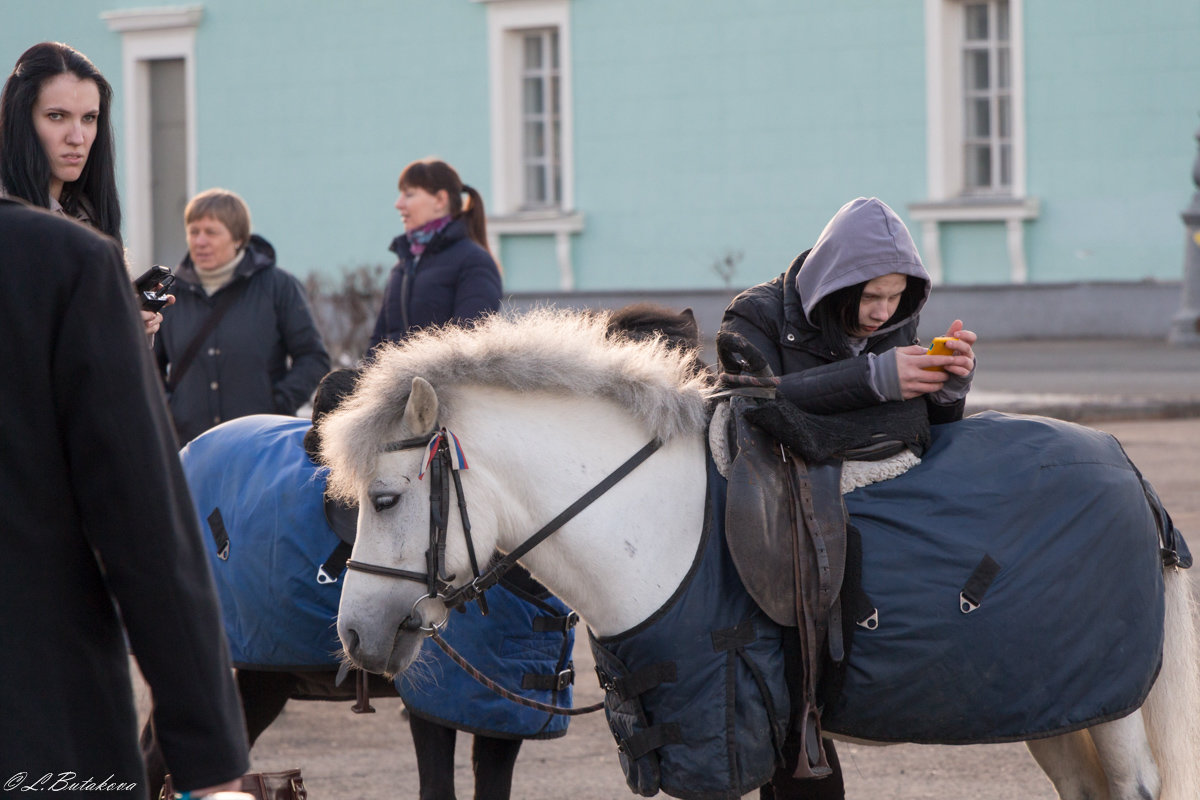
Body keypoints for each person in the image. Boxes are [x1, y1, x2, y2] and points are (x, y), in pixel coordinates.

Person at [720, 196, 977, 800]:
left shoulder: (894, 320)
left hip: (864, 498)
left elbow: (927, 430)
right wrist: (871, 379)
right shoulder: (752, 315)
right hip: (774, 509)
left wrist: (949, 388)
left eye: (896, 298)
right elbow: (747, 401)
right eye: (870, 298)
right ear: (836, 281)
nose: (883, 313)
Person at [0, 196, 250, 798]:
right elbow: (146, 532)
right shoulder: (62, 260)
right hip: (37, 713)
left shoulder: (71, 259)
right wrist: (212, 761)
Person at [0, 41, 167, 338]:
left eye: (89, 118)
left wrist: (132, 326)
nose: (77, 137)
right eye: (56, 116)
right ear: (20, 120)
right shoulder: (9, 221)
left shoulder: (90, 218)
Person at [153, 187, 330, 444]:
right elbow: (148, 364)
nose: (200, 241)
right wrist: (169, 409)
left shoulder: (278, 286)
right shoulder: (169, 295)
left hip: (260, 444)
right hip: (190, 447)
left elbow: (313, 358)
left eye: (211, 232)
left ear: (237, 238)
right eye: (194, 232)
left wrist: (276, 404)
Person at [367, 157, 501, 351]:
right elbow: (378, 344)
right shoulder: (402, 267)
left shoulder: (474, 262)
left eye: (409, 194)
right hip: (399, 381)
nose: (398, 204)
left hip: (441, 382)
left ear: (440, 200)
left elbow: (469, 344)